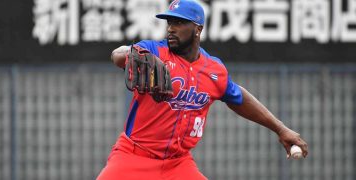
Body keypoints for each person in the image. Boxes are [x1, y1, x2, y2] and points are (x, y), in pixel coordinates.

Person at [97, 0, 308, 179]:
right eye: (170, 22)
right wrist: (131, 54)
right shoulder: (155, 51)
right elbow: (119, 54)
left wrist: (281, 129)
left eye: (179, 22)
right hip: (134, 157)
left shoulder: (213, 69)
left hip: (178, 164)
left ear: (198, 29)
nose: (171, 28)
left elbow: (237, 96)